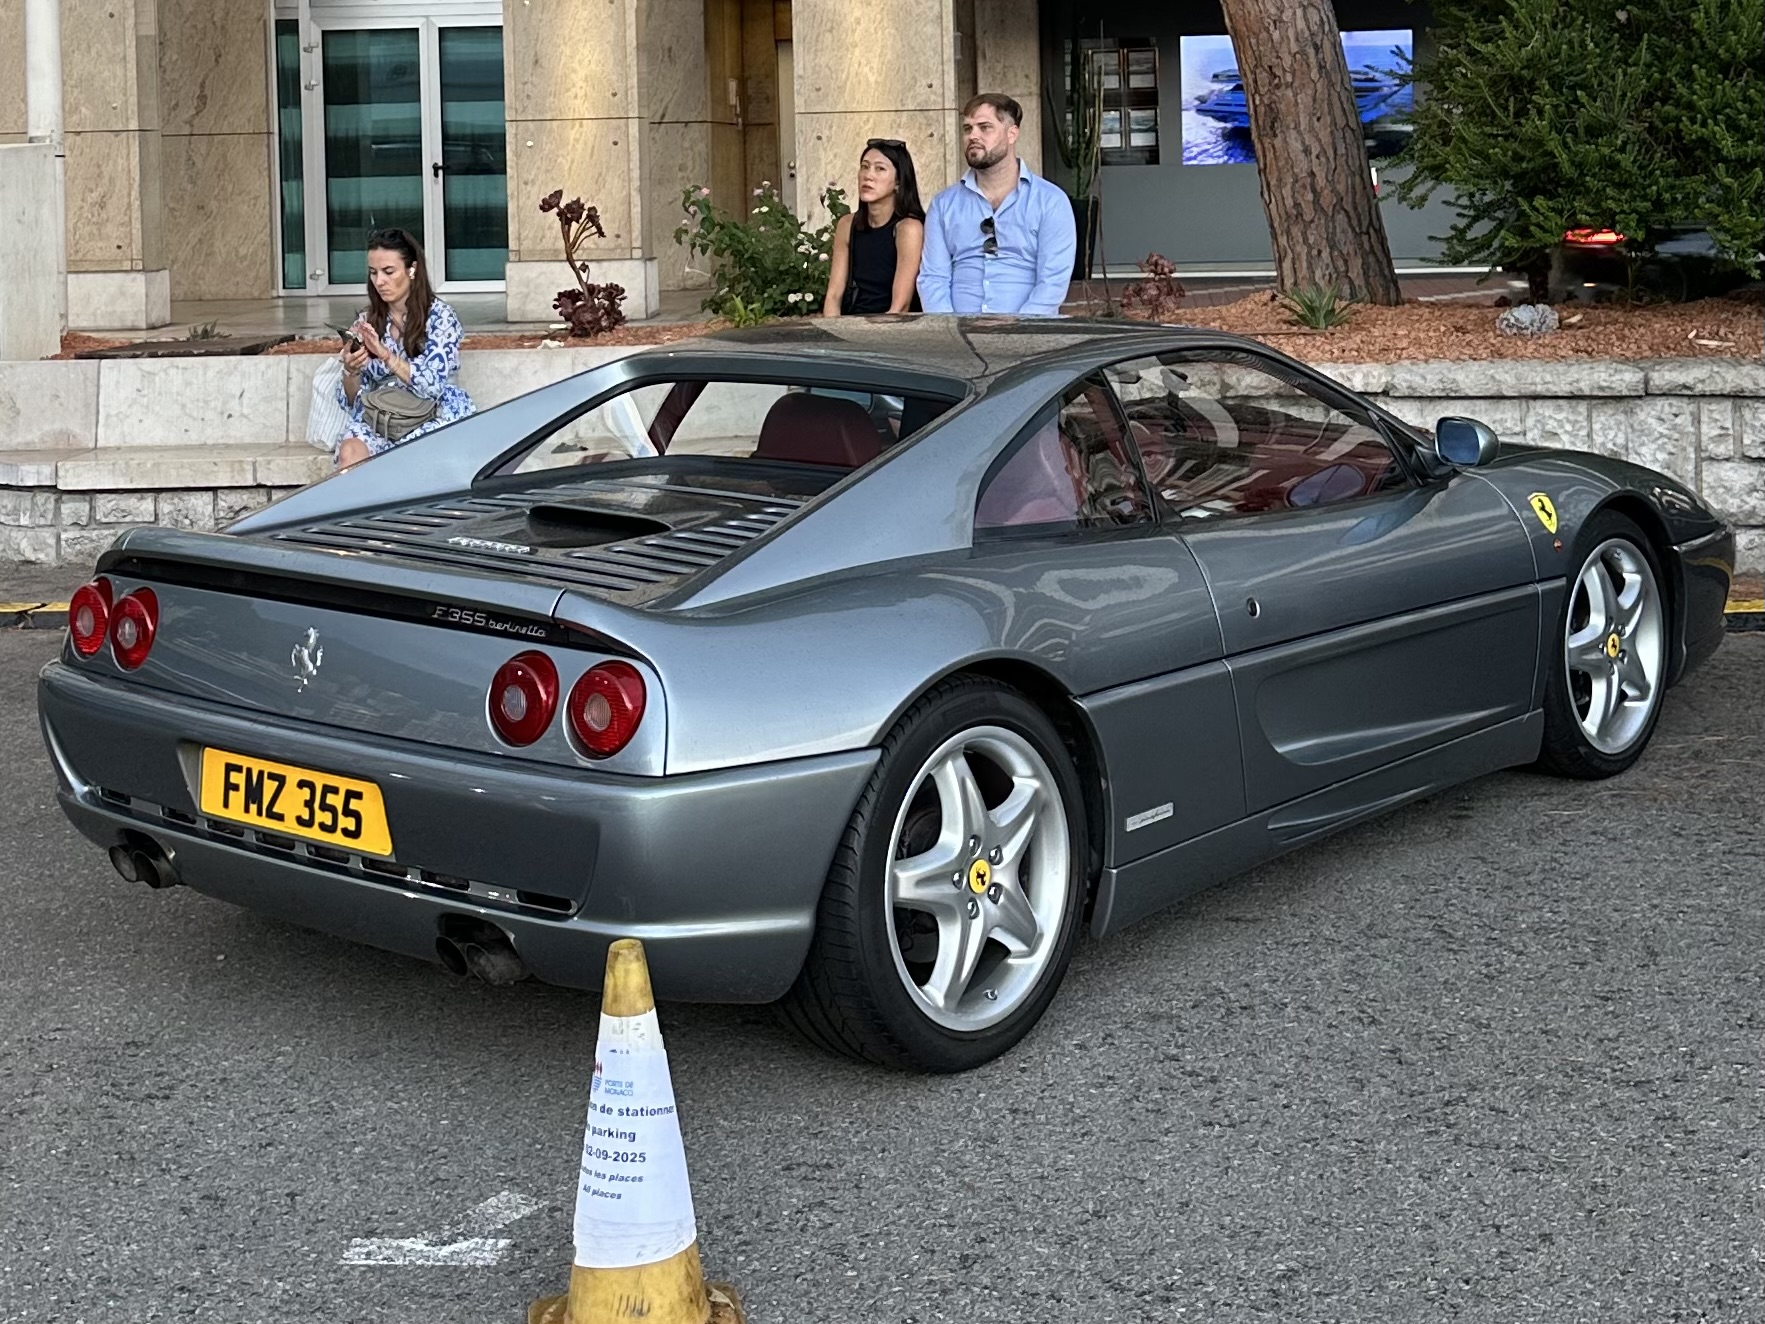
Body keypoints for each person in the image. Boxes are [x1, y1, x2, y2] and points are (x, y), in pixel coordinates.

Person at [917, 93, 1077, 317]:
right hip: (959, 337)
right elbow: (933, 278)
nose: (973, 135)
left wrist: (1019, 330)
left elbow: (1053, 281)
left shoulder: (1050, 201)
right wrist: (949, 332)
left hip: (1029, 335)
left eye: (985, 127)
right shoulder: (944, 204)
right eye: (967, 128)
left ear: (1012, 134)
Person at [334, 228, 474, 469]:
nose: (379, 281)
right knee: (350, 452)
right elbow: (353, 402)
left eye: (388, 272)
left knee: (405, 459)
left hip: (430, 414)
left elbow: (431, 385)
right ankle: (362, 507)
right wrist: (351, 370)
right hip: (382, 416)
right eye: (373, 273)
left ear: (412, 270)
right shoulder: (368, 322)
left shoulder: (440, 318)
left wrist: (386, 355)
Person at [822, 138, 925, 316]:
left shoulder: (908, 229)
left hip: (891, 331)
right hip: (850, 326)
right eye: (864, 166)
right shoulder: (847, 225)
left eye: (880, 169)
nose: (868, 175)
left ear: (899, 182)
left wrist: (872, 340)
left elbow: (900, 307)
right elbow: (833, 296)